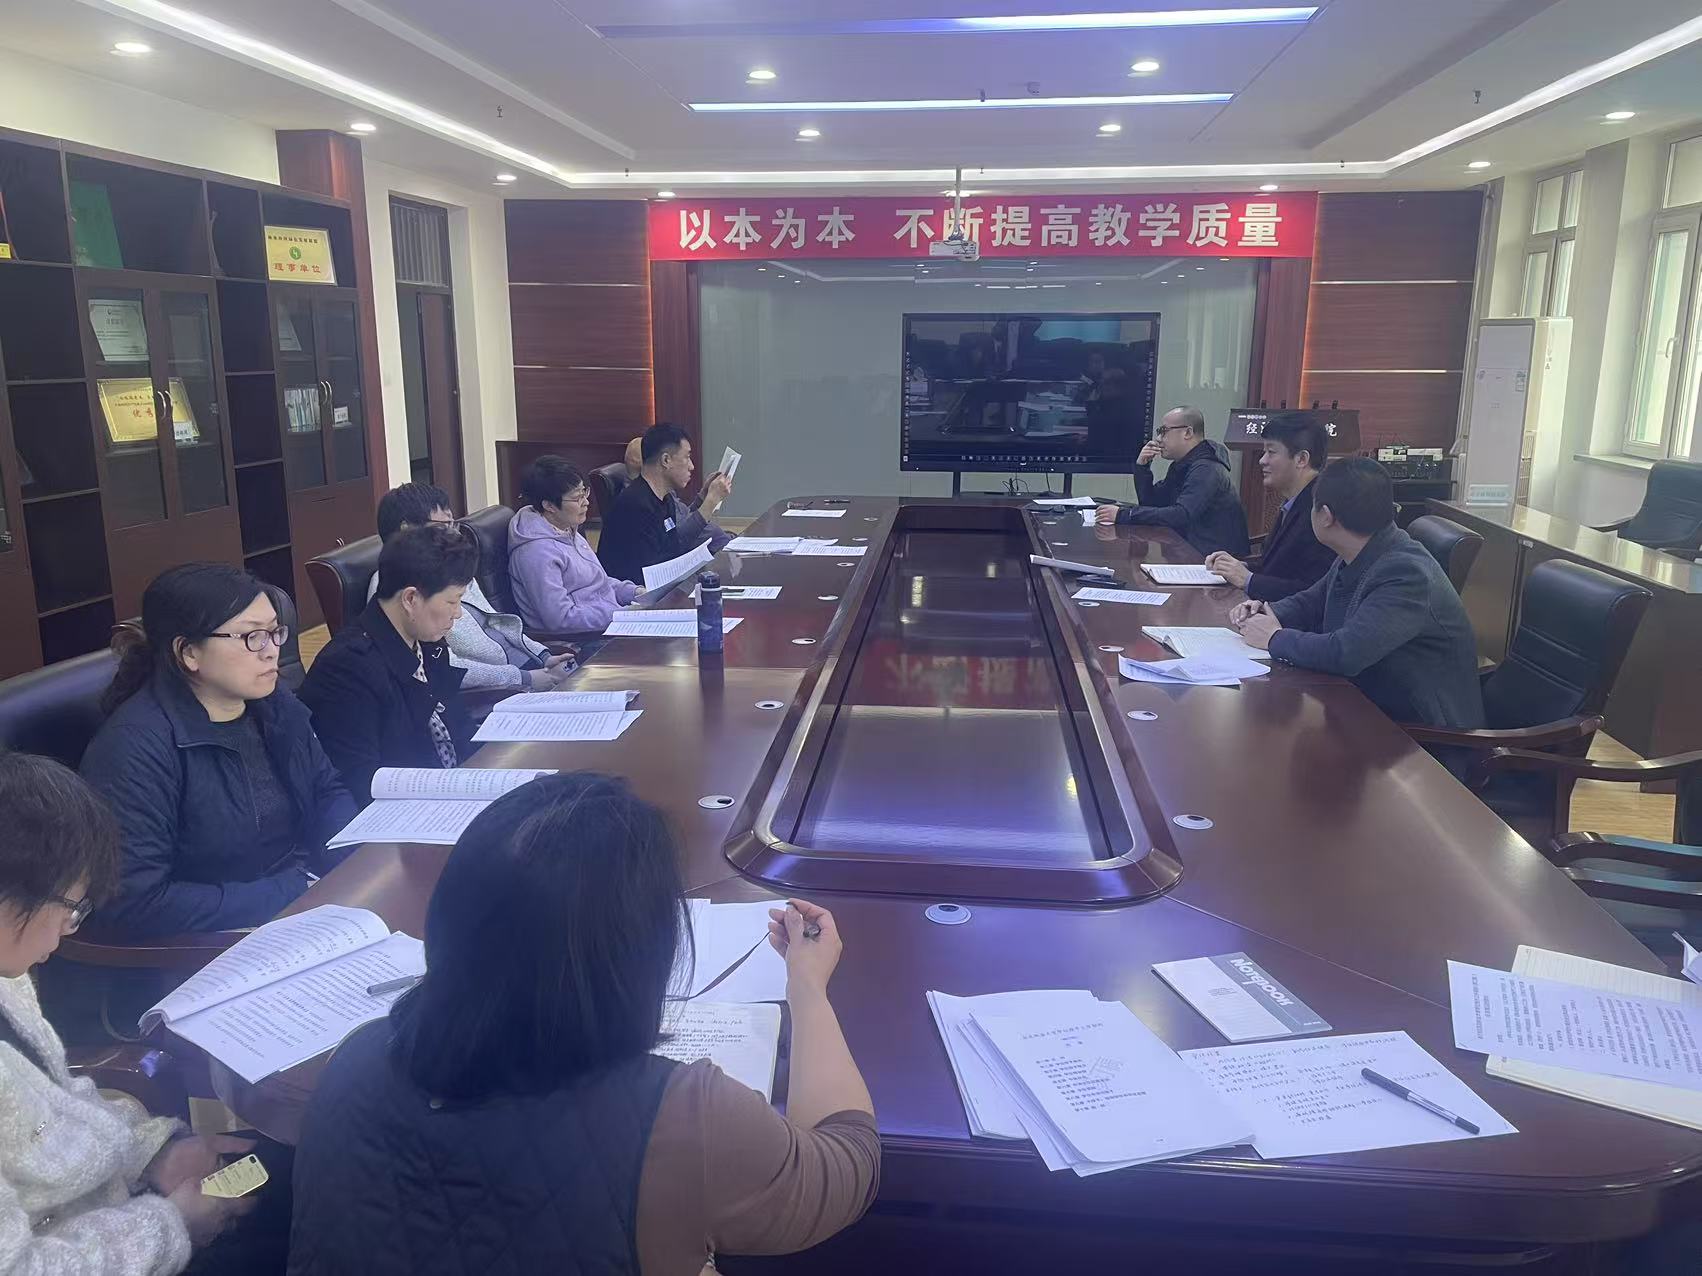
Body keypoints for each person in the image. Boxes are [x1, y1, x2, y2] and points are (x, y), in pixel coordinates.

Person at [287, 773, 879, 1276]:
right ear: (638, 958)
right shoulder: (684, 1117)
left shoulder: (353, 1058)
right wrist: (807, 986)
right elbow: (847, 1162)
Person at [0, 752, 270, 1275]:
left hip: (114, 1216)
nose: (69, 930)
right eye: (72, 908)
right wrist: (170, 1226)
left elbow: (58, 1104)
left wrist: (153, 1154)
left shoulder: (9, 980)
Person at [81, 565, 356, 939]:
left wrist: (348, 862)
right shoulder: (133, 749)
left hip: (302, 903)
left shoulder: (273, 702)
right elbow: (134, 901)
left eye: (275, 632)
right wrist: (293, 891)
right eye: (252, 637)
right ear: (188, 652)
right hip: (215, 940)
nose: (272, 651)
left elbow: (326, 789)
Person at [1230, 457, 1485, 730]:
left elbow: (1346, 653)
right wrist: (1267, 610)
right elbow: (1311, 601)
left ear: (1326, 516)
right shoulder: (1363, 548)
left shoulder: (1406, 574)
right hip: (1368, 705)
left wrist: (1274, 638)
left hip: (1423, 734)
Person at [299, 523, 479, 804]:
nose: (458, 614)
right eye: (452, 602)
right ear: (410, 598)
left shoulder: (426, 640)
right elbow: (362, 783)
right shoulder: (347, 670)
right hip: (410, 813)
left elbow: (459, 724)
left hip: (456, 791)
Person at [373, 482, 575, 692]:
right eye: (443, 525)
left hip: (524, 667)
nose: (453, 534)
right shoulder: (394, 586)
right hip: (501, 687)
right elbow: (442, 666)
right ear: (406, 530)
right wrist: (525, 678)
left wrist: (543, 656)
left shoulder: (451, 564)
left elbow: (498, 622)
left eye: (453, 524)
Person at [1204, 412, 1336, 601]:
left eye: (1271, 452)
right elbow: (1277, 567)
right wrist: (1237, 566)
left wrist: (1248, 580)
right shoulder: (1295, 500)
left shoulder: (1320, 510)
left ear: (1301, 459)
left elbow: (1313, 591)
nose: (1262, 460)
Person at [507, 456, 642, 634]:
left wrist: (636, 593)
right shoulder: (536, 554)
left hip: (609, 622)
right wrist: (622, 615)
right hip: (584, 639)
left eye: (584, 492)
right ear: (549, 505)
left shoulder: (566, 529)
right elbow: (562, 619)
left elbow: (599, 582)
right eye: (577, 498)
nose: (586, 502)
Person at [1094, 405, 1250, 557]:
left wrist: (1124, 515)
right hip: (1189, 553)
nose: (1158, 439)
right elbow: (1150, 503)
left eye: (1164, 431)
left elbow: (1181, 515)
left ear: (1188, 433)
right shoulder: (1182, 465)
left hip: (1213, 561)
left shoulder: (1206, 468)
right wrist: (1142, 467)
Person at [598, 422, 734, 587]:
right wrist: (711, 502)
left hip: (662, 587)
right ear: (666, 460)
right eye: (687, 457)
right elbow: (658, 567)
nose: (692, 466)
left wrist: (704, 498)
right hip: (636, 594)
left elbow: (675, 543)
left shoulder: (665, 498)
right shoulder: (635, 505)